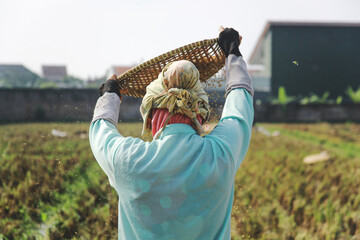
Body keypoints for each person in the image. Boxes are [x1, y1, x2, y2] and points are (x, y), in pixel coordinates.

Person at [89, 27, 254, 240]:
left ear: (150, 114)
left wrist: (110, 95)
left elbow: (100, 129)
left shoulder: (127, 160)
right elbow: (240, 102)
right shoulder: (222, 153)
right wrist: (232, 52)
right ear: (200, 114)